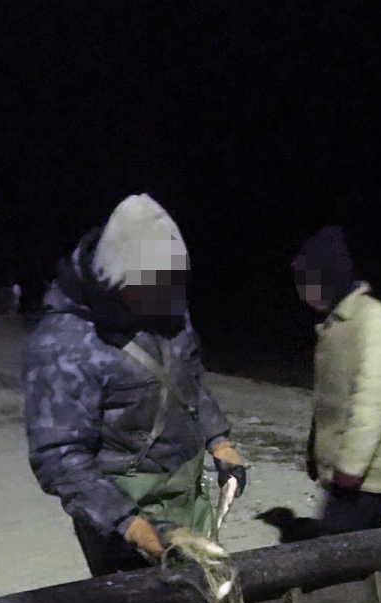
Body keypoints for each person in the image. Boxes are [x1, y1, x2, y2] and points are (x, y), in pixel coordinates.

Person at [22, 194, 247, 576]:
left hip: (186, 492)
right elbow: (60, 457)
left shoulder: (167, 304)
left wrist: (220, 442)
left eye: (173, 282)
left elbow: (190, 380)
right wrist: (132, 526)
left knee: (206, 589)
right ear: (116, 281)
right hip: (122, 511)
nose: (169, 296)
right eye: (155, 285)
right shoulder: (64, 343)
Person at [277, 226, 381, 539]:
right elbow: (331, 400)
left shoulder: (372, 321)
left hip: (364, 476)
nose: (302, 291)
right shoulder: (339, 321)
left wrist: (350, 467)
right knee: (365, 543)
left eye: (305, 281)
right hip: (346, 472)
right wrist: (316, 453)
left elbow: (373, 403)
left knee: (340, 549)